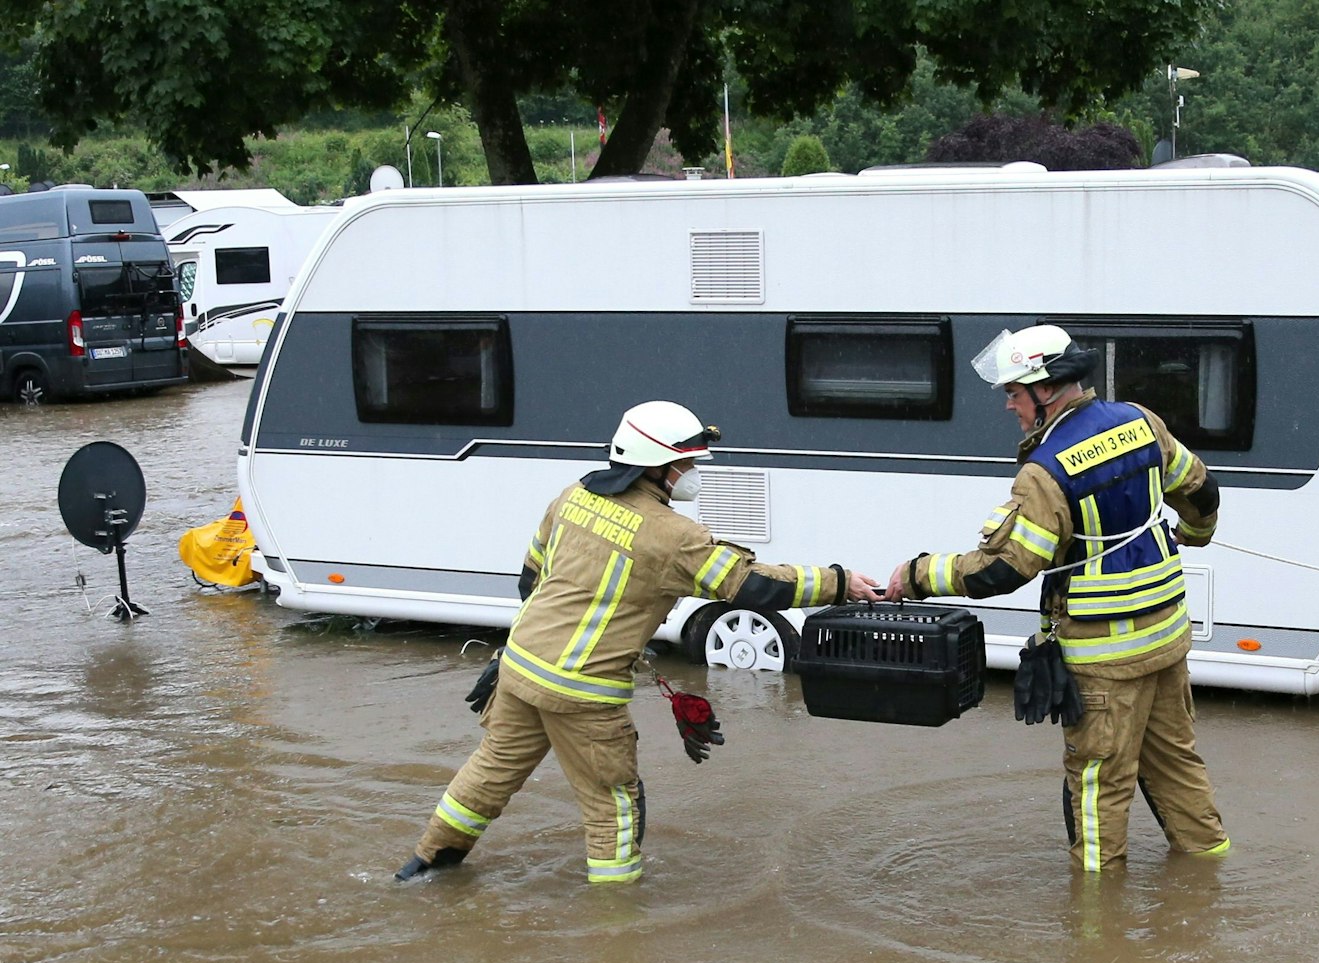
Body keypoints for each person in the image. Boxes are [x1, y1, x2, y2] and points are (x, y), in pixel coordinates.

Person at [395, 401, 879, 884]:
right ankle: (616, 927)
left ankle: (426, 866)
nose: (692, 473)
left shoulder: (572, 497)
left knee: (489, 772)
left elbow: (531, 581)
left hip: (519, 669)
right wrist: (839, 581)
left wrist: (527, 654)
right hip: (582, 693)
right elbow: (754, 587)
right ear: (659, 466)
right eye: (687, 463)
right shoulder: (673, 536)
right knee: (614, 807)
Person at [884, 325, 1228, 873]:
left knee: (1098, 790)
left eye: (1014, 392)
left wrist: (920, 575)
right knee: (1176, 767)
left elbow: (1006, 567)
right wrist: (1198, 532)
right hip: (1167, 640)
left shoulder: (1045, 472)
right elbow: (1201, 489)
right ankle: (1209, 876)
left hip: (1104, 662)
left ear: (1047, 390)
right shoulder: (1141, 422)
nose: (1008, 405)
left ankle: (1095, 933)